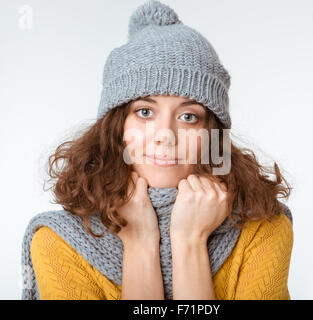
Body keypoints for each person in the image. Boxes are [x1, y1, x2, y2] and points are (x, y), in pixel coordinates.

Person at [20, 0, 294, 300]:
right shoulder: (59, 241)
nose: (166, 136)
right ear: (116, 126)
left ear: (211, 134)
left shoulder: (263, 228)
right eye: (145, 112)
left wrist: (190, 242)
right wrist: (139, 244)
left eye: (188, 117)